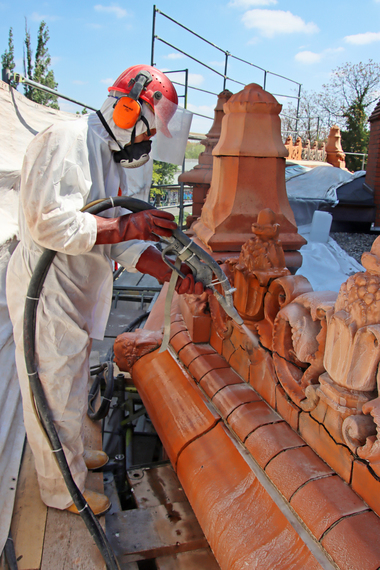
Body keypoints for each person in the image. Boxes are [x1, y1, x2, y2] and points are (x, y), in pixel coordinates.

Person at [6, 65, 201, 515]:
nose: (147, 143)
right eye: (148, 132)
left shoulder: (110, 158)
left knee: (72, 381)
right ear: (128, 107)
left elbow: (124, 240)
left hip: (76, 289)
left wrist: (167, 270)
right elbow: (48, 222)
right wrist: (124, 224)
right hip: (48, 289)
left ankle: (70, 456)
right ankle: (61, 488)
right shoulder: (65, 141)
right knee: (51, 387)